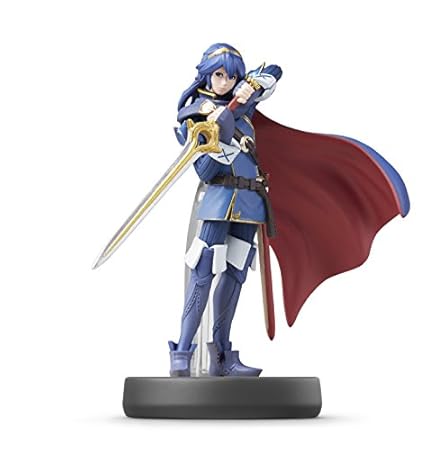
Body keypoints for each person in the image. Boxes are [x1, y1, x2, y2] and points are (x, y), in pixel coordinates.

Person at [168, 43, 282, 377]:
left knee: (235, 275)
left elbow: (275, 72)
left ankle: (221, 356)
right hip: (218, 202)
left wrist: (251, 85)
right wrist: (221, 126)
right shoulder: (196, 118)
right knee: (203, 271)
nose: (225, 82)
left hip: (249, 203)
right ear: (207, 75)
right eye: (219, 75)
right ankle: (182, 352)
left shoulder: (243, 105)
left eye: (231, 77)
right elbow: (205, 171)